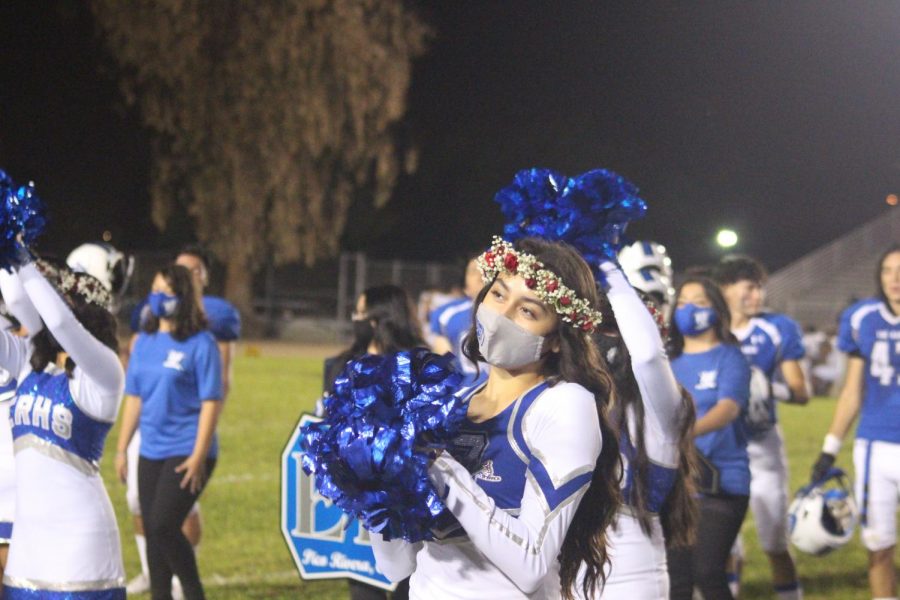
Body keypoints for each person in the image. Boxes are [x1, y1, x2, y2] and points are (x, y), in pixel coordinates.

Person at [370, 236, 622, 599]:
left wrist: (436, 465)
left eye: (528, 311)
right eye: (499, 294)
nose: (501, 315)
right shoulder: (453, 401)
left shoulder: (563, 404)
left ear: (556, 339)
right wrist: (377, 478)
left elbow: (531, 565)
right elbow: (396, 566)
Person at [0, 258, 126, 597]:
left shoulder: (106, 372)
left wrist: (20, 254)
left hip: (80, 551)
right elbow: (15, 300)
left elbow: (59, 323)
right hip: (26, 553)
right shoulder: (31, 363)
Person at [125, 245, 239, 595]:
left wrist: (199, 453)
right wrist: (120, 448)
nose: (158, 298)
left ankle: (192, 591)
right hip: (151, 447)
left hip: (187, 446)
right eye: (155, 291)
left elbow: (212, 399)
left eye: (167, 292)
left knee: (162, 525)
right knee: (153, 530)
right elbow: (134, 397)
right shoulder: (143, 341)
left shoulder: (202, 342)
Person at [579, 261, 696, 598]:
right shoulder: (568, 399)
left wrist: (609, 268)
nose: (603, 342)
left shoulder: (665, 408)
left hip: (629, 565)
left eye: (615, 331)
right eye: (597, 330)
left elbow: (646, 357)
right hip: (566, 556)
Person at [713, 256, 808, 600]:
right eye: (749, 288)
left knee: (775, 543)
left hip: (763, 446)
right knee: (724, 547)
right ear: (725, 289)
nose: (758, 295)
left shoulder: (775, 328)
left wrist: (770, 386)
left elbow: (801, 391)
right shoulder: (708, 328)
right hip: (720, 449)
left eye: (760, 288)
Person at [321, 284, 424, 599]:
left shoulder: (418, 364)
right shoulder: (340, 365)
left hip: (405, 495)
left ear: (381, 319)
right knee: (363, 587)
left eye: (362, 313)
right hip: (359, 496)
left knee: (408, 582)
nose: (356, 319)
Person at [811, 246, 900, 600]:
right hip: (875, 446)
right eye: (888, 271)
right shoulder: (864, 317)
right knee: (878, 545)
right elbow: (851, 391)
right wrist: (829, 449)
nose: (896, 279)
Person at [667, 276, 751, 600]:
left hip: (724, 481)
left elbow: (728, 408)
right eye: (683, 301)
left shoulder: (731, 357)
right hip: (679, 485)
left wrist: (683, 435)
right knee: (677, 581)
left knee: (707, 572)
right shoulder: (667, 364)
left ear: (716, 309)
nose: (688, 309)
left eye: (699, 301)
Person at [429, 257, 485, 384]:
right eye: (473, 271)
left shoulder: (510, 316)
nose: (480, 276)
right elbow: (442, 366)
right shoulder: (448, 315)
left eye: (485, 269)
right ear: (465, 284)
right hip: (463, 392)